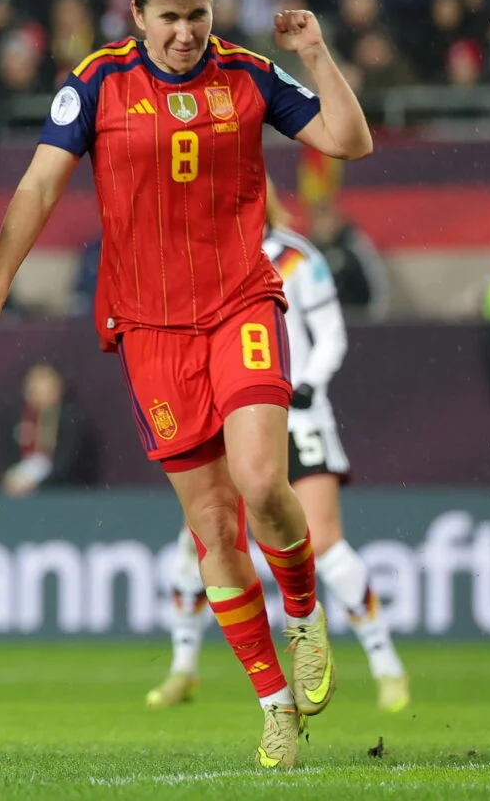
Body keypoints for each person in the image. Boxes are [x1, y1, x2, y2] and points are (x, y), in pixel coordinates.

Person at [0, 0, 374, 768]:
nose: (184, 32)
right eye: (169, 17)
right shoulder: (97, 84)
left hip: (240, 302)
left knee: (262, 481)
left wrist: (314, 52)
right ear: (137, 15)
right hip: (148, 330)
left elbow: (350, 140)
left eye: (197, 14)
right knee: (211, 526)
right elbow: (35, 187)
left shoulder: (247, 74)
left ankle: (304, 615)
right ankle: (275, 703)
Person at [145, 183, 408, 714]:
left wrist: (307, 383)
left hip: (298, 414)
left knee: (326, 544)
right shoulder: (203, 259)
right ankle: (183, 669)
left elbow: (331, 335)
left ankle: (387, 668)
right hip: (233, 417)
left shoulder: (297, 257)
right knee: (197, 545)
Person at [0, 362, 84, 496]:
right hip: (17, 492)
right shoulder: (16, 418)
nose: (39, 395)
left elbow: (68, 461)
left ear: (57, 391)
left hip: (58, 492)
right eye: (34, 389)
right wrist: (12, 478)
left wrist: (39, 483)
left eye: (45, 390)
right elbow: (4, 454)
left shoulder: (69, 421)